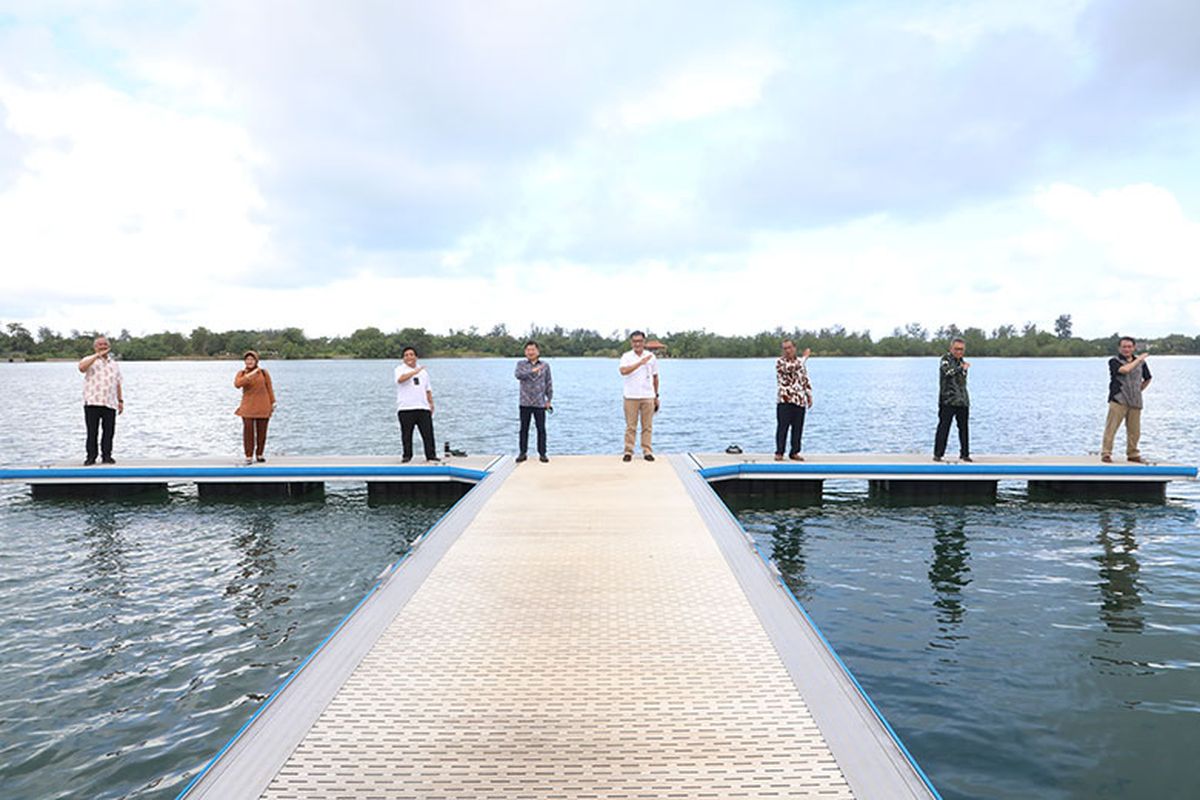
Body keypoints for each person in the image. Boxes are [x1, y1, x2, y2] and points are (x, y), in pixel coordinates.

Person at [1101, 336, 1152, 463]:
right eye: (1124, 347)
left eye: (1129, 347)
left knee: (1134, 430)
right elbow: (1125, 370)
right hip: (1118, 399)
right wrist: (1139, 359)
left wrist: (1139, 389)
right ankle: (1106, 453)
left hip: (1135, 400)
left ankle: (1133, 453)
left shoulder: (1141, 363)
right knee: (1111, 428)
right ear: (1119, 348)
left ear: (1133, 348)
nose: (1127, 349)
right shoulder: (1114, 361)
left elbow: (1148, 378)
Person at [77, 335, 123, 465]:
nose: (103, 347)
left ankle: (107, 456)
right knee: (92, 431)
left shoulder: (114, 364)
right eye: (100, 344)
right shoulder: (89, 360)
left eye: (105, 344)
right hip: (93, 401)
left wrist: (120, 401)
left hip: (110, 402)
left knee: (109, 432)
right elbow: (81, 368)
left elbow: (118, 383)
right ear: (95, 347)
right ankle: (91, 457)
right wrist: (97, 355)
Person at [618, 330, 659, 462]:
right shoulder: (626, 356)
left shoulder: (651, 357)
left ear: (644, 342)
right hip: (631, 396)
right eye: (635, 341)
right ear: (631, 342)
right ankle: (628, 451)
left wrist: (656, 396)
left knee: (647, 426)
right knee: (631, 426)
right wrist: (640, 363)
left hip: (648, 395)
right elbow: (623, 371)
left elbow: (655, 377)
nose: (637, 344)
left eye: (640, 341)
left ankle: (647, 450)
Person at [395, 346, 439, 463]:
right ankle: (407, 455)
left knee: (428, 433)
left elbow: (428, 389)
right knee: (407, 434)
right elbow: (401, 379)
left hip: (422, 407)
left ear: (416, 357)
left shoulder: (423, 372)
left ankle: (431, 455)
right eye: (406, 355)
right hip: (406, 407)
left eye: (411, 355)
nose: (409, 357)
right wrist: (414, 372)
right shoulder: (400, 369)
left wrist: (431, 403)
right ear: (403, 358)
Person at [514, 340, 553, 463]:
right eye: (528, 350)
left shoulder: (545, 365)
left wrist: (549, 399)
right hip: (525, 402)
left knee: (541, 429)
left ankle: (542, 453)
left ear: (538, 351)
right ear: (525, 352)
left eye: (533, 350)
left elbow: (548, 382)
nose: (530, 352)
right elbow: (518, 375)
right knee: (523, 429)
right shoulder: (521, 364)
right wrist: (533, 371)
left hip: (540, 402)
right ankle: (522, 453)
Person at [934, 337, 972, 462]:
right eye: (956, 349)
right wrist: (962, 368)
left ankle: (965, 454)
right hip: (947, 400)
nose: (959, 352)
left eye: (961, 350)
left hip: (962, 401)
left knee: (964, 428)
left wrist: (963, 368)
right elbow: (948, 372)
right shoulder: (945, 360)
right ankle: (938, 454)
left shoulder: (962, 362)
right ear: (951, 349)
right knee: (944, 427)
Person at [234, 350, 276, 464]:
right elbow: (237, 384)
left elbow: (269, 388)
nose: (249, 362)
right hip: (248, 406)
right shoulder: (241, 373)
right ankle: (248, 455)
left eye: (252, 359)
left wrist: (273, 402)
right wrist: (250, 375)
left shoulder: (263, 373)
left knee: (262, 432)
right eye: (247, 360)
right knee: (248, 432)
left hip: (263, 405)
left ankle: (260, 454)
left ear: (256, 361)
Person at [775, 339, 813, 461]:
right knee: (783, 427)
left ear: (794, 348)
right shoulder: (780, 362)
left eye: (789, 348)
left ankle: (794, 452)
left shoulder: (800, 363)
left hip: (799, 399)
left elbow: (804, 379)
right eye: (785, 348)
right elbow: (790, 368)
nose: (787, 351)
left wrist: (809, 395)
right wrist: (805, 358)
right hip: (785, 399)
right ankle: (779, 452)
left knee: (798, 428)